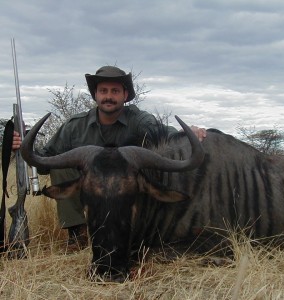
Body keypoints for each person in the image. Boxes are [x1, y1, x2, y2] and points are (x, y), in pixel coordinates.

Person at [12, 65, 206, 251]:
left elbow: (166, 138)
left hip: (127, 198)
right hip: (92, 194)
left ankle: (141, 230)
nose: (109, 97)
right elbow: (45, 160)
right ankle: (78, 233)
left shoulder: (139, 120)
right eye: (103, 91)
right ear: (95, 95)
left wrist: (186, 134)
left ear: (125, 95)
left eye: (115, 91)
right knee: (61, 164)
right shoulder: (74, 126)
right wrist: (22, 147)